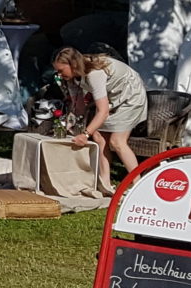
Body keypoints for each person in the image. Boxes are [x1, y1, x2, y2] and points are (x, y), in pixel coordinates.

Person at [53, 46, 148, 191]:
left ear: (73, 65)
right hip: (113, 98)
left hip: (131, 96)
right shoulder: (72, 78)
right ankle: (105, 183)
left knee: (117, 142)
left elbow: (102, 112)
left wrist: (85, 134)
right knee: (98, 136)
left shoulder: (94, 74)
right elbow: (78, 107)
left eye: (61, 70)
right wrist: (68, 126)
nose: (58, 75)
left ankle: (139, 185)